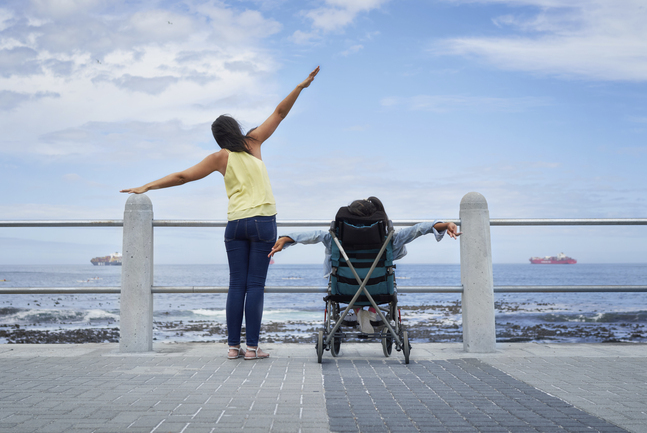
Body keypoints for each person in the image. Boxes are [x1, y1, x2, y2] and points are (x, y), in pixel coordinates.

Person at [121, 66, 320, 361]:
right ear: (235, 129)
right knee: (255, 286)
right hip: (263, 223)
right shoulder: (253, 143)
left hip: (236, 225)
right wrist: (300, 87)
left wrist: (147, 185)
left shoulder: (218, 158)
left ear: (217, 138)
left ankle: (232, 347)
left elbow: (182, 177)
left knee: (236, 285)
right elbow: (279, 113)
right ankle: (252, 349)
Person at [267, 196, 460, 333]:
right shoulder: (388, 238)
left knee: (352, 278)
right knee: (376, 276)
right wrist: (445, 224)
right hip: (379, 289)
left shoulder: (335, 238)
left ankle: (358, 310)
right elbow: (418, 229)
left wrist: (286, 238)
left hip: (345, 289)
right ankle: (371, 312)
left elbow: (314, 235)